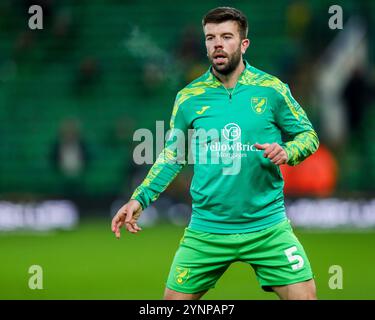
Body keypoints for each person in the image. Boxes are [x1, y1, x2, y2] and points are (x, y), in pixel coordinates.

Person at [111, 7, 319, 300]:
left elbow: (308, 136)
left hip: (267, 227)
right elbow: (173, 156)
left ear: (243, 44)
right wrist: (140, 197)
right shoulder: (188, 98)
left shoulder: (272, 90)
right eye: (210, 38)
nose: (217, 44)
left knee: (306, 298)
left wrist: (287, 151)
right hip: (207, 229)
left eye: (226, 36)